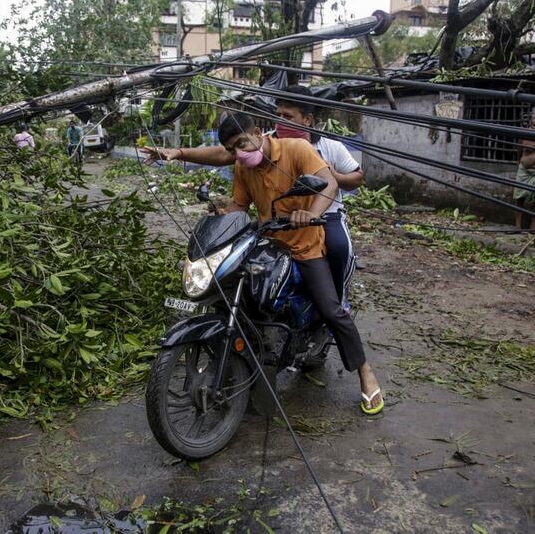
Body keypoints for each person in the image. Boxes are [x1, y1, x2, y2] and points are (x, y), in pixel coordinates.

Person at [211, 112, 383, 414]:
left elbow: (329, 183)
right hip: (268, 246)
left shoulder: (297, 149)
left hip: (305, 246)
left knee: (332, 309)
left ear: (258, 131)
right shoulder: (243, 167)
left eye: (240, 143)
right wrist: (220, 220)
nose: (238, 153)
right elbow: (240, 205)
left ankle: (365, 373)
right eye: (231, 150)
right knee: (238, 297)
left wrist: (311, 211)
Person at [141, 85, 363, 309]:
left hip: (322, 214)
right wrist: (179, 153)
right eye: (278, 116)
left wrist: (330, 176)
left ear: (307, 119)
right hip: (276, 219)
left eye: (288, 116)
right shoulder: (262, 143)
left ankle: (338, 297)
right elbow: (224, 155)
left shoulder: (325, 146)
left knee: (337, 248)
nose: (281, 121)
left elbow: (353, 178)